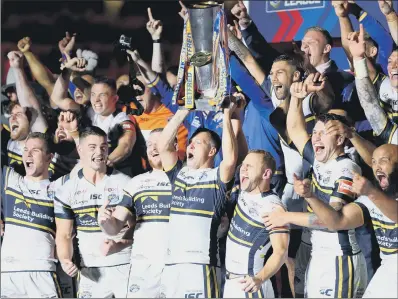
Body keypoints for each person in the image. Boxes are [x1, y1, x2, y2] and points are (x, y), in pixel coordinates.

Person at [263, 81, 368, 298]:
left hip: (338, 258)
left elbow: (332, 222)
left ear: (340, 139)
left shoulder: (347, 168)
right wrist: (297, 98)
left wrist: (287, 216)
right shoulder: (321, 160)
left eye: (323, 133)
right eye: (315, 132)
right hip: (316, 251)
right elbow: (294, 128)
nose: (315, 137)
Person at [156, 98, 239, 297]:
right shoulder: (179, 174)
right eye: (190, 143)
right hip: (171, 265)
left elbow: (230, 159)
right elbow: (163, 146)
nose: (190, 147)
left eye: (197, 143)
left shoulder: (217, 177)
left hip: (201, 265)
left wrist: (227, 114)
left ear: (211, 151)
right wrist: (184, 110)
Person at [293, 144, 397, 298]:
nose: (377, 167)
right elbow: (337, 221)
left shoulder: (373, 195)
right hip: (388, 269)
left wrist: (371, 192)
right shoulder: (370, 200)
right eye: (373, 162)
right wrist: (310, 197)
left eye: (383, 160)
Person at [54, 126, 133, 298]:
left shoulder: (126, 183)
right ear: (80, 149)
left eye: (103, 147)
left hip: (124, 265)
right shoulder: (66, 190)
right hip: (91, 271)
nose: (99, 152)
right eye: (92, 147)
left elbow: (136, 228)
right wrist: (65, 259)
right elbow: (64, 235)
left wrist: (119, 244)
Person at [98, 128, 177, 298]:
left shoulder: (187, 178)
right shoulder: (136, 183)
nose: (154, 148)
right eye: (150, 145)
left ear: (174, 146)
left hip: (178, 266)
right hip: (144, 268)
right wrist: (105, 221)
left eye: (159, 143)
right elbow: (114, 227)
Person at [1, 132, 62, 298]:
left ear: (49, 157)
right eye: (26, 149)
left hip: (42, 273)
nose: (28, 154)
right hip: (7, 274)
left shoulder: (60, 188)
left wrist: (75, 135)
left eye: (35, 150)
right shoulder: (9, 178)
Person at [223, 150, 289, 298]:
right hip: (230, 284)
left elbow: (281, 252)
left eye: (250, 166)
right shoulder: (244, 191)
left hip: (251, 287)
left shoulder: (273, 207)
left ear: (266, 174)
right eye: (243, 165)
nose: (243, 169)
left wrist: (260, 278)